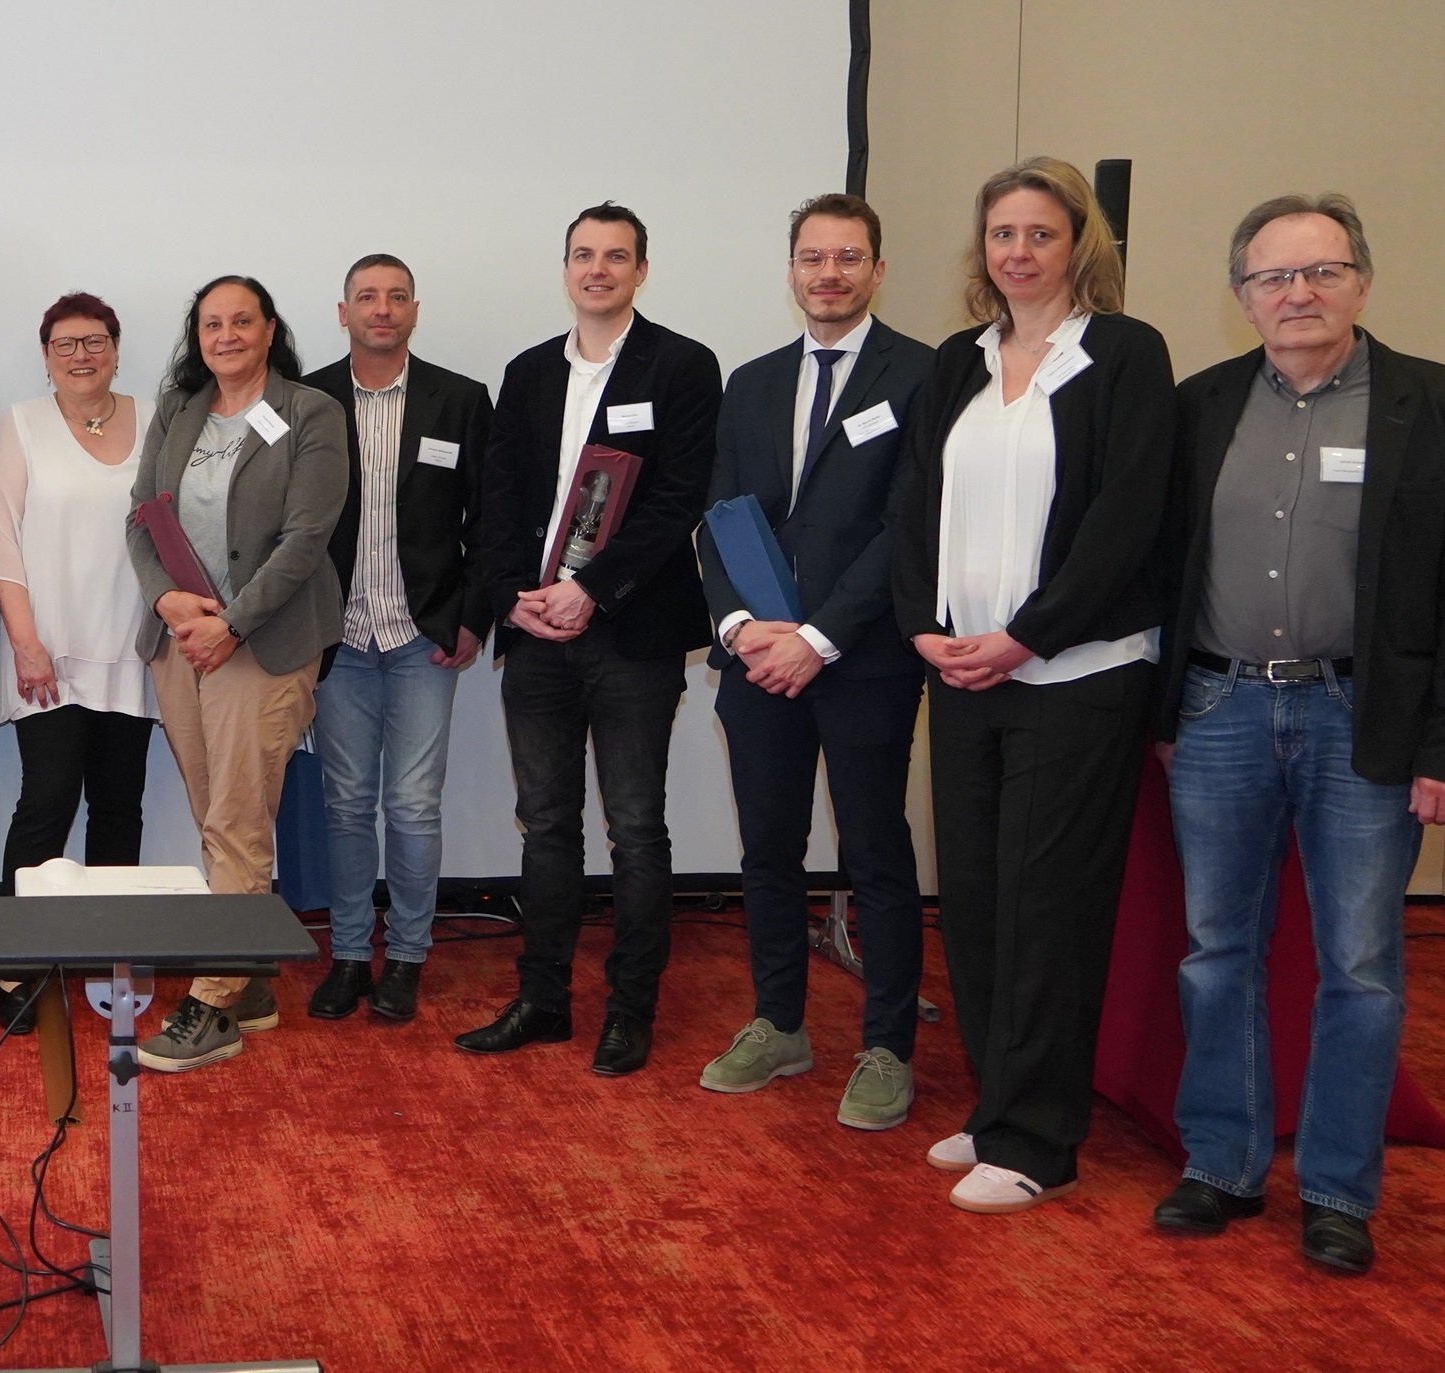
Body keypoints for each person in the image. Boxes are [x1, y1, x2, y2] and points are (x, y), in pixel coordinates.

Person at [1150, 194, 1445, 1272]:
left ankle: (1335, 1188)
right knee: (1215, 951)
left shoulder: (1429, 403)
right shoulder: (1201, 405)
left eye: (1320, 271)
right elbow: (1163, 568)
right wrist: (1163, 714)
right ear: (1241, 297)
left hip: (1360, 715)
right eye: (1273, 277)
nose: (1297, 294)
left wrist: (1438, 749)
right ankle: (1220, 1164)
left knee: (1359, 965)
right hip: (1220, 708)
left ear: (1362, 281)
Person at [888, 155, 1176, 1214]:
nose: (1018, 252)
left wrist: (1024, 634)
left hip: (1077, 675)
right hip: (961, 673)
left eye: (1040, 234)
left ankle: (1040, 1139)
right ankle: (996, 1103)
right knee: (969, 900)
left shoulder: (1123, 355)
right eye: (1002, 234)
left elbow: (1124, 520)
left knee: (1047, 907)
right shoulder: (958, 362)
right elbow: (915, 503)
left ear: (1077, 245)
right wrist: (923, 625)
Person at [457, 203, 721, 1078]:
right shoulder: (528, 373)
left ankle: (630, 1009)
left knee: (637, 828)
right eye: (583, 254)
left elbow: (679, 502)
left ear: (642, 270)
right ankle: (542, 1000)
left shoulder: (682, 366)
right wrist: (512, 598)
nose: (598, 269)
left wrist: (590, 590)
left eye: (616, 256)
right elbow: (496, 506)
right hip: (536, 636)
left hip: (632, 635)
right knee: (546, 826)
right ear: (564, 268)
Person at [691, 193, 935, 1128]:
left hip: (864, 658)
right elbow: (718, 518)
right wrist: (742, 626)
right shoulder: (750, 383)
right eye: (811, 258)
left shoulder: (919, 375)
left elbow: (905, 526)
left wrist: (820, 637)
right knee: (767, 852)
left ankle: (885, 1046)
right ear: (790, 270)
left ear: (877, 269)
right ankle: (779, 1022)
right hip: (758, 664)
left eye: (848, 258)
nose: (828, 274)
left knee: (876, 851)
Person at [124, 275, 348, 1074]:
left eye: (240, 321)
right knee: (213, 813)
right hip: (181, 640)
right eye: (211, 323)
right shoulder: (179, 411)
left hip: (266, 642)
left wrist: (233, 622)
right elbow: (141, 519)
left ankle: (213, 1000)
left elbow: (306, 535)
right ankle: (250, 982)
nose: (225, 335)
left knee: (238, 819)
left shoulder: (310, 412)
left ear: (269, 328)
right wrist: (172, 603)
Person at [300, 254, 492, 1025]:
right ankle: (350, 954)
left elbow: (493, 520)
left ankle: (407, 956)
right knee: (346, 805)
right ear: (342, 311)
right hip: (337, 638)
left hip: (423, 635)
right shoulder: (304, 399)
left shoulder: (462, 400)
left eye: (396, 297)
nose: (382, 309)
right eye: (367, 297)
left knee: (412, 805)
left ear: (415, 310)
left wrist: (475, 616)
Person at [0, 291, 156, 1034]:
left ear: (116, 348)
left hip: (132, 646)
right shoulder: (20, 424)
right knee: (46, 803)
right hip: (45, 651)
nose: (81, 355)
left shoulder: (156, 419)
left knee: (119, 807)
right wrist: (24, 642)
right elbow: (2, 538)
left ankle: (109, 959)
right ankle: (18, 961)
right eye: (65, 344)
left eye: (94, 341)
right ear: (46, 354)